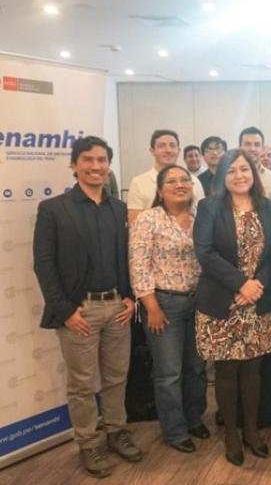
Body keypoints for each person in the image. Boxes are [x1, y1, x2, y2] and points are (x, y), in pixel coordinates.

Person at [33, 136, 142, 478]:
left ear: (109, 165)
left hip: (118, 307)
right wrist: (65, 310)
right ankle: (88, 443)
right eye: (88, 160)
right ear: (74, 165)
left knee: (116, 378)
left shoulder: (118, 209)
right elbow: (44, 264)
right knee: (82, 383)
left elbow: (127, 258)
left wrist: (130, 296)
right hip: (79, 311)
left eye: (102, 160)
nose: (96, 166)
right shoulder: (53, 209)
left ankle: (116, 432)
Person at [193, 149, 271, 466]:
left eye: (244, 169)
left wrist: (256, 286)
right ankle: (231, 432)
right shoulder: (209, 207)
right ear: (222, 176)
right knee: (227, 372)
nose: (239, 176)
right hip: (221, 302)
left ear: (254, 173)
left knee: (253, 371)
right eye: (232, 171)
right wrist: (241, 283)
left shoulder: (269, 208)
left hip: (256, 303)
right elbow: (205, 252)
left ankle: (252, 430)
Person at [129, 164, 208, 454]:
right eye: (172, 181)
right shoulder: (148, 219)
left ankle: (194, 417)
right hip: (164, 304)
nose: (180, 185)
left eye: (185, 180)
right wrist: (151, 306)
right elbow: (139, 265)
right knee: (169, 372)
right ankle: (174, 430)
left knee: (197, 368)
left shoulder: (202, 218)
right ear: (160, 191)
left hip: (199, 301)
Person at [126, 129, 205, 223]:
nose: (168, 150)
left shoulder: (193, 181)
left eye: (172, 145)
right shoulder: (139, 182)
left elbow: (203, 217)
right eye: (161, 146)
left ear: (178, 150)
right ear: (152, 151)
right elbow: (134, 222)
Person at [238, 126, 271, 200]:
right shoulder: (231, 177)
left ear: (262, 148)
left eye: (257, 145)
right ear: (240, 147)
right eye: (248, 144)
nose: (252, 149)